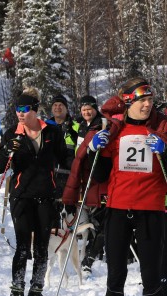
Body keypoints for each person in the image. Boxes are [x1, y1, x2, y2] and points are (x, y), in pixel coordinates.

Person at [84, 78, 167, 296]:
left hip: (151, 211)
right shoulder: (115, 131)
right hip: (118, 210)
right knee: (115, 275)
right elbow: (97, 175)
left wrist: (165, 153)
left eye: (150, 100)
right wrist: (93, 149)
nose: (147, 105)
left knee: (151, 275)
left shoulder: (162, 128)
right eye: (142, 100)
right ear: (129, 102)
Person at [0, 90, 73, 296]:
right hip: (21, 196)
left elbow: (65, 158)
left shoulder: (52, 132)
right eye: (17, 110)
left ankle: (36, 291)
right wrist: (7, 150)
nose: (19, 113)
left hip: (46, 197)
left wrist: (76, 165)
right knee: (22, 246)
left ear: (35, 110)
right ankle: (16, 291)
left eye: (24, 110)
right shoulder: (12, 133)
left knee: (41, 247)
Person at [67, 94, 109, 274]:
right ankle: (93, 253)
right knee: (93, 220)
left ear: (95, 108)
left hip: (99, 177)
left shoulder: (102, 124)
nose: (86, 112)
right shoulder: (82, 126)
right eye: (83, 109)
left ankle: (91, 256)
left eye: (89, 109)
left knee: (103, 221)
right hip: (85, 177)